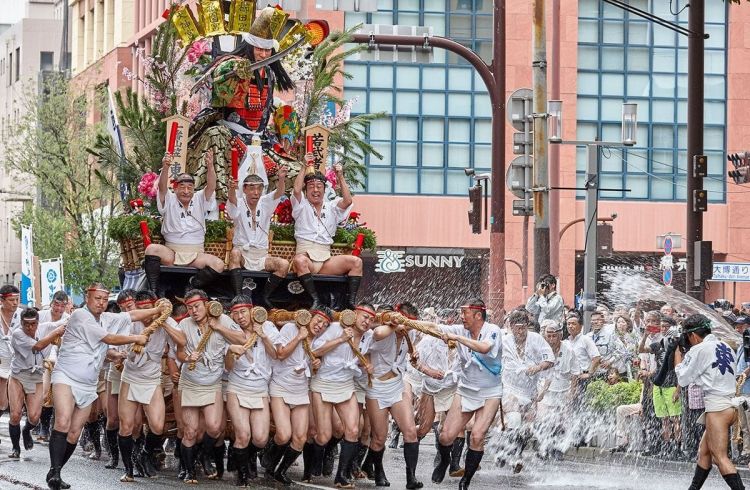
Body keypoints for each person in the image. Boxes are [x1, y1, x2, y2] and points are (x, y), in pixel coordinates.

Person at [46, 283, 157, 490]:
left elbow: (130, 316)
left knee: (74, 432)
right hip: (66, 376)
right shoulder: (80, 315)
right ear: (88, 298)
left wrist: (159, 310)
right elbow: (108, 338)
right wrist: (135, 337)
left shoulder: (105, 318)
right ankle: (55, 471)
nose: (101, 303)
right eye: (97, 298)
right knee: (62, 421)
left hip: (88, 382)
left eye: (105, 300)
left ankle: (57, 471)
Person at [174, 289, 245, 484]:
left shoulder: (222, 319)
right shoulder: (184, 324)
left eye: (196, 306)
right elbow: (179, 353)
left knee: (214, 428)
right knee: (190, 431)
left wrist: (219, 328)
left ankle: (202, 456)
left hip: (212, 383)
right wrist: (188, 358)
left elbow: (242, 339)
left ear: (206, 304)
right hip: (190, 382)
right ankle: (189, 471)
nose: (193, 311)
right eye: (189, 308)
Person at [433, 298, 503, 490]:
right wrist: (406, 321)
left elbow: (485, 348)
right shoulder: (459, 329)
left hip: (490, 391)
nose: (461, 317)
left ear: (478, 315)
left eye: (465, 313)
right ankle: (444, 461)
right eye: (461, 313)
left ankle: (466, 480)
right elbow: (434, 327)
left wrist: (459, 339)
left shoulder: (492, 329)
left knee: (477, 436)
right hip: (466, 389)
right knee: (445, 436)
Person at [117, 291, 186, 482]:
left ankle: (144, 454)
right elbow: (112, 344)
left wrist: (162, 320)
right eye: (143, 310)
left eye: (150, 309)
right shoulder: (130, 321)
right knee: (127, 426)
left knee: (157, 425)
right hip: (130, 376)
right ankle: (129, 468)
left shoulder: (165, 320)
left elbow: (182, 341)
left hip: (151, 378)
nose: (147, 314)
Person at [676, 314, 745, 490]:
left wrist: (677, 355)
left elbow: (683, 379)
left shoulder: (698, 349)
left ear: (692, 336)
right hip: (731, 405)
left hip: (717, 408)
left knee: (720, 457)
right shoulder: (725, 346)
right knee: (704, 452)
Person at [143, 152, 223, 295]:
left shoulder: (199, 198)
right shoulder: (170, 199)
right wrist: (165, 167)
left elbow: (211, 186)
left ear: (194, 189)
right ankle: (153, 290)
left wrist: (210, 166)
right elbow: (162, 187)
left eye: (190, 187)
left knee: (218, 264)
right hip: (172, 252)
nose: (186, 191)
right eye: (182, 187)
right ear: (175, 188)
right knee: (151, 249)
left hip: (196, 254)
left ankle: (191, 286)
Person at [362, 302, 423, 489]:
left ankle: (411, 477)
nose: (408, 326)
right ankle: (378, 471)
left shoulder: (409, 333)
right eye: (405, 321)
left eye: (410, 323)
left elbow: (408, 355)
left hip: (397, 385)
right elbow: (378, 334)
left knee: (411, 431)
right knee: (379, 437)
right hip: (377, 387)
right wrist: (395, 325)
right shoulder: (382, 330)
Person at [306, 306, 366, 488]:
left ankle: (341, 476)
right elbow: (315, 351)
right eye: (364, 317)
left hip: (346, 385)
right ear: (353, 315)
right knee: (323, 435)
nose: (367, 322)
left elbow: (382, 332)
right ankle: (309, 467)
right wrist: (341, 339)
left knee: (353, 430)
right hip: (324, 382)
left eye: (371, 320)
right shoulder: (333, 327)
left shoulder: (369, 335)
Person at [223, 295, 280, 486]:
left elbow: (276, 355)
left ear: (251, 310)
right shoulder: (231, 331)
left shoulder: (268, 326)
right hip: (237, 387)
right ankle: (243, 476)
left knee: (261, 438)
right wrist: (231, 351)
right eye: (235, 313)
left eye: (243, 312)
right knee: (243, 435)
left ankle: (241, 454)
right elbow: (228, 367)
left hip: (260, 388)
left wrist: (263, 335)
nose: (240, 317)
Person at [291, 158, 362, 309]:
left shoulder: (332, 207)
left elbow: (348, 201)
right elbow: (296, 190)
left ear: (324, 189)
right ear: (306, 190)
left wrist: (340, 176)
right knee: (299, 261)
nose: (315, 190)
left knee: (356, 262)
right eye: (311, 186)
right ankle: (315, 300)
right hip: (306, 257)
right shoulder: (301, 205)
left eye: (319, 186)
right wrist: (304, 166)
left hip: (325, 259)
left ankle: (350, 302)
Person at [267, 307, 321, 486]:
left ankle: (280, 471)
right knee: (283, 435)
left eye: (325, 324)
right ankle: (268, 458)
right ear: (309, 318)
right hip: (281, 385)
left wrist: (315, 365)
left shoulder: (319, 339)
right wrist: (299, 337)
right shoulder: (291, 329)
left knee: (300, 437)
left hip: (300, 389)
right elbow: (280, 354)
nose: (320, 326)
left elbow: (311, 368)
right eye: (318, 321)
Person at [499, 310, 554, 473]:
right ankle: (514, 456)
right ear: (510, 327)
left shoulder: (536, 339)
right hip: (509, 387)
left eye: (523, 328)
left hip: (529, 389)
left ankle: (511, 450)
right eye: (517, 328)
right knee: (514, 419)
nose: (520, 332)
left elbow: (550, 359)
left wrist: (537, 367)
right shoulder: (504, 341)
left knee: (526, 428)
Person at [8, 308, 65, 458]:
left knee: (34, 417)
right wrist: (56, 332)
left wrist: (75, 318)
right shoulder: (17, 333)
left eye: (33, 324)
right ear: (21, 323)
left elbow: (62, 323)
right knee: (15, 414)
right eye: (26, 324)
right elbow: (38, 346)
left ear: (38, 323)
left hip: (37, 376)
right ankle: (15, 448)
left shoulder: (45, 327)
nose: (30, 327)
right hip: (18, 375)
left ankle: (26, 430)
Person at [226, 170, 290, 304]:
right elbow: (232, 201)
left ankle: (264, 296)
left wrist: (282, 178)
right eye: (252, 188)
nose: (256, 192)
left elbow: (279, 192)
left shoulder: (266, 202)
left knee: (283, 265)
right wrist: (232, 189)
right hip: (243, 253)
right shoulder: (238, 202)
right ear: (244, 189)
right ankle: (238, 296)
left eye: (259, 188)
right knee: (235, 253)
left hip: (261, 255)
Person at [536, 319, 580, 459]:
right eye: (548, 336)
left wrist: (572, 392)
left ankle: (557, 449)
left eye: (554, 335)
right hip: (546, 391)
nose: (551, 339)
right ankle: (544, 447)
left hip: (563, 390)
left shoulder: (569, 351)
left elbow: (575, 374)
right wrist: (541, 392)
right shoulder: (541, 350)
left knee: (560, 422)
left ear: (560, 335)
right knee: (544, 420)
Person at [37, 291, 70, 443]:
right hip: (41, 359)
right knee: (44, 394)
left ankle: (55, 428)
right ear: (52, 303)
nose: (59, 308)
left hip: (61, 362)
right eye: (56, 304)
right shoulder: (42, 315)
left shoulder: (68, 319)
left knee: (59, 397)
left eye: (62, 305)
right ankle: (43, 426)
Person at [0, 284, 23, 417]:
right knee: (1, 401)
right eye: (11, 300)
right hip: (1, 359)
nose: (15, 303)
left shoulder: (22, 315)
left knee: (7, 404)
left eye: (17, 299)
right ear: (2, 300)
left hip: (17, 361)